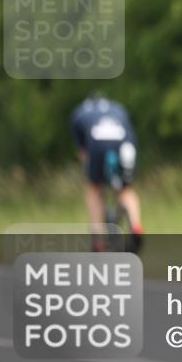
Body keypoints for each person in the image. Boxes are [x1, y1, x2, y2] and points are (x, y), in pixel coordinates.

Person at [70, 92, 143, 252]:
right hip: (125, 145)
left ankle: (98, 240)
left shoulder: (80, 112)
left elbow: (83, 152)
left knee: (94, 189)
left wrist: (90, 172)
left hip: (96, 145)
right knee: (126, 189)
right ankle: (136, 225)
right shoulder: (118, 108)